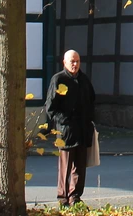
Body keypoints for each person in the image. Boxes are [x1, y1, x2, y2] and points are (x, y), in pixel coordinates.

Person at [45, 49, 96, 207]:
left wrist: (89, 121)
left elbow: (92, 101)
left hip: (82, 129)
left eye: (77, 61)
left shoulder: (84, 80)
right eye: (72, 61)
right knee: (65, 167)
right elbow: (50, 107)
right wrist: (63, 121)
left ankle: (75, 197)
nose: (75, 64)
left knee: (80, 167)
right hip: (66, 131)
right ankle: (63, 198)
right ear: (64, 63)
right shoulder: (58, 79)